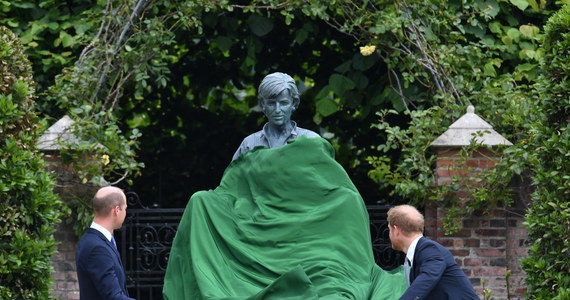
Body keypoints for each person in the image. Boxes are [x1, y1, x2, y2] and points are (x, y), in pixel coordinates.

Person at [387, 205, 479, 300]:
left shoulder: (429, 249)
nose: (389, 234)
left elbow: (428, 277)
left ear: (396, 230)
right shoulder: (420, 254)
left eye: (389, 230)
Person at [232, 72, 320, 161]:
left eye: (284, 103)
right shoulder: (249, 144)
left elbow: (325, 172)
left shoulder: (312, 140)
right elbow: (234, 174)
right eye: (271, 103)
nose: (277, 110)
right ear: (263, 104)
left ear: (294, 103)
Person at [76, 186, 135, 300]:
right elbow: (113, 296)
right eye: (125, 209)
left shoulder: (93, 240)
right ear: (116, 210)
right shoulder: (97, 247)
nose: (125, 213)